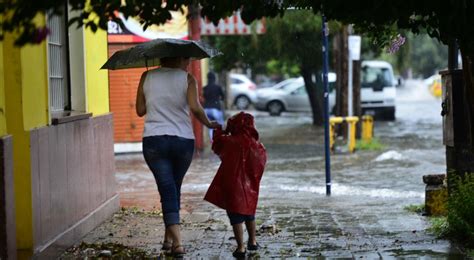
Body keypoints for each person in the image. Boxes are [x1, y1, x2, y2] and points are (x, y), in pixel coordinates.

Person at [135, 56, 220, 257]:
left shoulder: (147, 75)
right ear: (179, 58)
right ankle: (176, 243)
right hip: (182, 141)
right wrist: (209, 125)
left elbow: (140, 110)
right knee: (173, 187)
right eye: (187, 59)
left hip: (154, 140)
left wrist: (154, 96)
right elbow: (195, 107)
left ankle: (172, 240)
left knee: (167, 188)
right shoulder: (188, 78)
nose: (189, 62)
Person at [204, 112, 267, 258]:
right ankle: (253, 241)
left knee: (235, 216)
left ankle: (240, 247)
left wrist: (221, 130)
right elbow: (260, 164)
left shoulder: (229, 141)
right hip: (250, 186)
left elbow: (217, 147)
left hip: (232, 185)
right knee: (250, 213)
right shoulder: (257, 145)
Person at [203, 72, 225, 140]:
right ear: (214, 78)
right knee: (220, 124)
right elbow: (223, 97)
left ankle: (212, 140)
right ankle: (220, 140)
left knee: (210, 127)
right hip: (215, 109)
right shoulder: (218, 87)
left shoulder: (205, 88)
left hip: (206, 110)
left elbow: (204, 96)